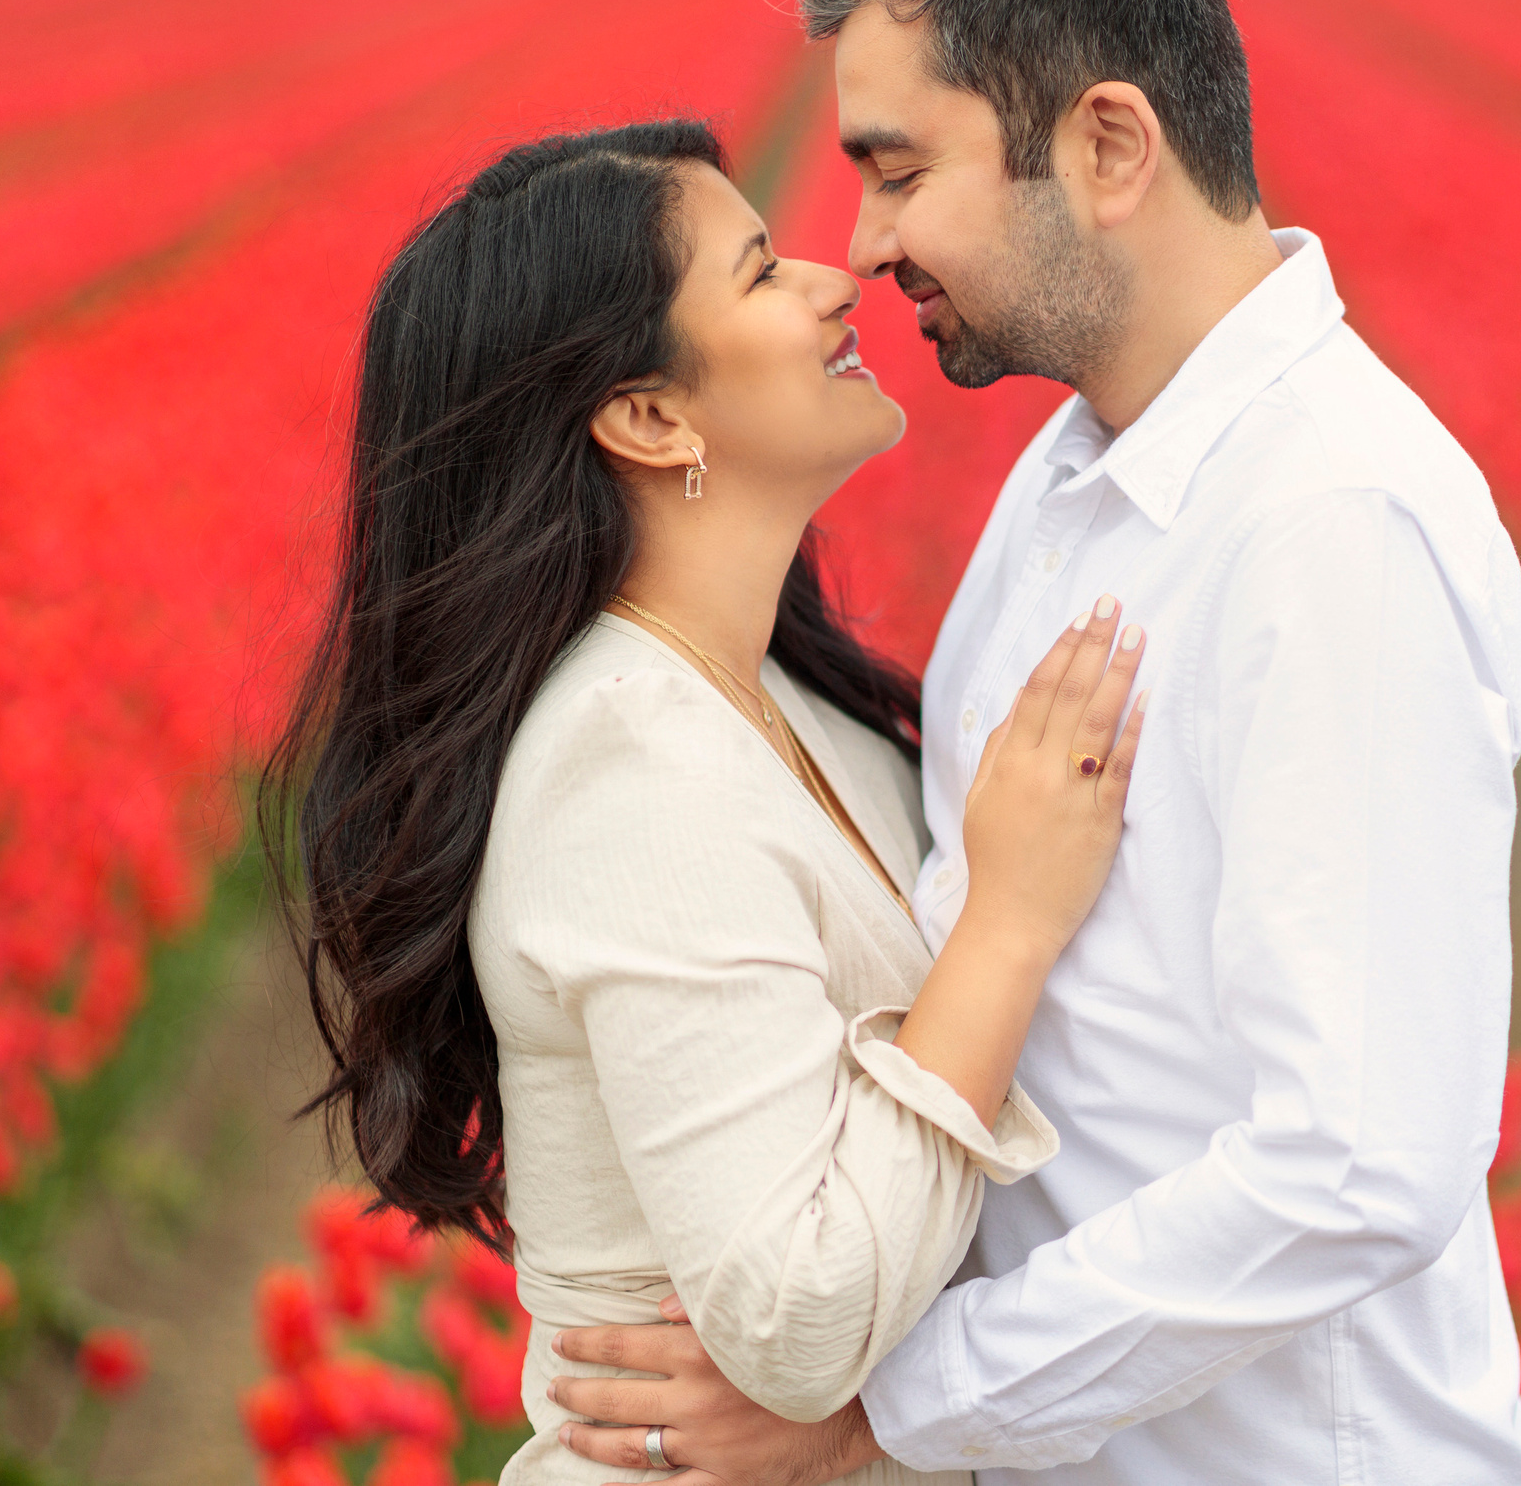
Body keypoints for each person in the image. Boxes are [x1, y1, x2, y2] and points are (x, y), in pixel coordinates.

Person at [549, 0, 1521, 1484]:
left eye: (899, 168)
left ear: (1105, 145)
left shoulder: (1328, 523)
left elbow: (1361, 1161)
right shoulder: (1077, 474)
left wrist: (886, 1406)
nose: (862, 242)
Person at [262, 117, 1153, 1486]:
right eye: (758, 272)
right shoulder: (632, 774)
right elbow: (798, 1318)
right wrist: (1011, 923)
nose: (834, 278)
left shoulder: (793, 705)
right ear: (649, 416)